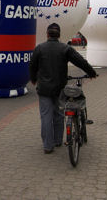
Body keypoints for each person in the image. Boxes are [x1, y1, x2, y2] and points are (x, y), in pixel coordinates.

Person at [29, 23, 97, 154]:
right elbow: (80, 61)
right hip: (60, 88)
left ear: (47, 34)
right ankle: (58, 140)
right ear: (59, 35)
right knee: (59, 114)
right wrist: (92, 72)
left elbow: (32, 66)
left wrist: (33, 79)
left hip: (44, 89)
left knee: (46, 117)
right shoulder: (65, 48)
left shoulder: (39, 48)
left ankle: (48, 147)